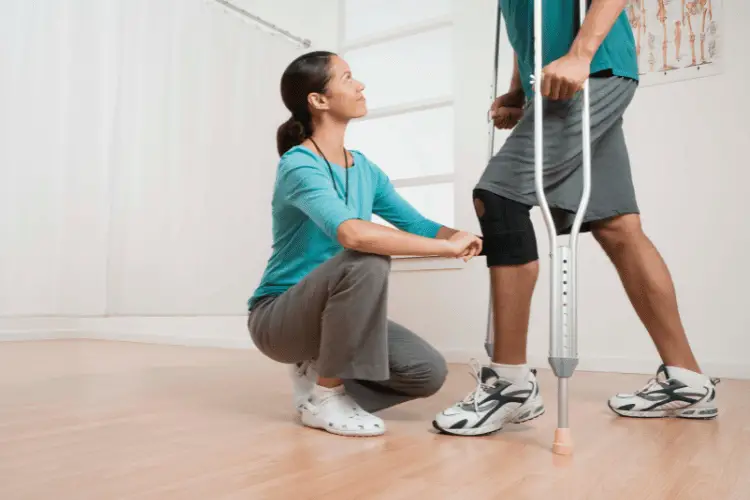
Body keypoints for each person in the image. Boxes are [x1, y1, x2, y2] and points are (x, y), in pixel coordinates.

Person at [433, 0, 720, 436]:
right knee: (618, 226)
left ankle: (510, 386)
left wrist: (582, 54)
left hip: (591, 71)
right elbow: (528, 23)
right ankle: (688, 382)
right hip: (572, 79)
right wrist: (517, 87)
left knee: (499, 196)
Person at [248, 51, 483, 437]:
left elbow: (417, 225)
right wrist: (446, 250)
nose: (360, 85)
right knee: (366, 259)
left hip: (333, 313)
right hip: (279, 318)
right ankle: (326, 396)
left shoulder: (365, 169)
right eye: (347, 77)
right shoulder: (298, 164)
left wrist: (467, 240)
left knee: (427, 372)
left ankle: (319, 375)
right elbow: (352, 235)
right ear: (318, 100)